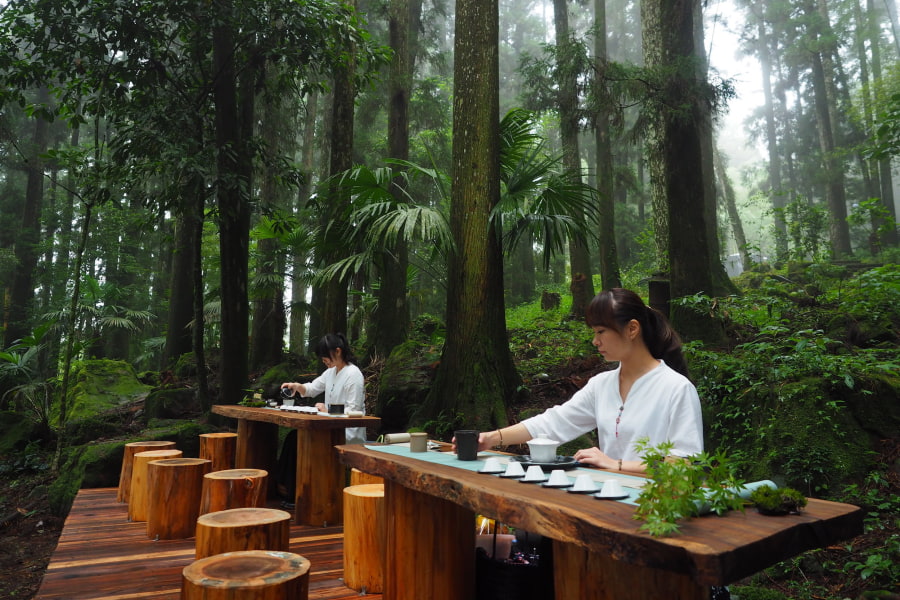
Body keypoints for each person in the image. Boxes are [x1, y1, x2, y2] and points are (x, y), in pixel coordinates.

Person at [469, 288, 703, 473]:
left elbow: (684, 465)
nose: (595, 341)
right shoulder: (601, 385)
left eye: (601, 331)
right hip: (609, 499)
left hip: (657, 511)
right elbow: (552, 423)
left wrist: (616, 464)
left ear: (632, 329)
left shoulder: (676, 388)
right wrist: (492, 438)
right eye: (594, 332)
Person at [276, 333, 366, 506]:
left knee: (298, 440)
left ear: (338, 351)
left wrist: (328, 409)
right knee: (293, 437)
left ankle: (294, 494)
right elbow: (311, 388)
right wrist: (297, 387)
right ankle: (286, 489)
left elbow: (354, 410)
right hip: (329, 427)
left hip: (346, 433)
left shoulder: (353, 374)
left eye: (326, 357)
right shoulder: (331, 372)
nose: (324, 361)